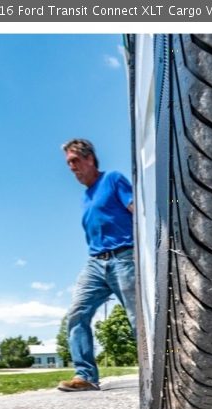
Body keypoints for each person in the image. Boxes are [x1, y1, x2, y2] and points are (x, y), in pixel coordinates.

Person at [57, 139, 136, 392]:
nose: (71, 167)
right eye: (68, 164)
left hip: (124, 257)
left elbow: (138, 210)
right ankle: (86, 376)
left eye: (75, 161)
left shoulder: (113, 179)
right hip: (95, 263)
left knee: (138, 317)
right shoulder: (86, 196)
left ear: (90, 158)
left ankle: (158, 370)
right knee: (77, 313)